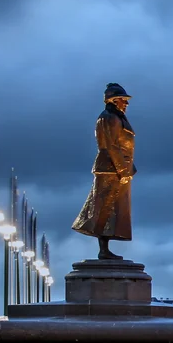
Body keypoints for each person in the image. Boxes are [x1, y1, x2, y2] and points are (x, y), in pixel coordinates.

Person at [72, 83, 136, 260]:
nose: (126, 103)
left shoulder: (116, 117)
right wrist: (123, 170)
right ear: (114, 101)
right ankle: (103, 249)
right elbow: (111, 146)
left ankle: (105, 248)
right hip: (110, 170)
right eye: (123, 100)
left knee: (111, 209)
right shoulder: (109, 118)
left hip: (116, 169)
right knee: (105, 209)